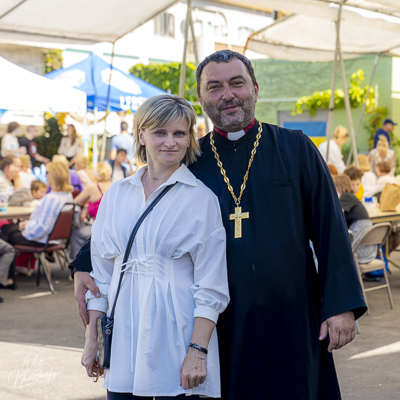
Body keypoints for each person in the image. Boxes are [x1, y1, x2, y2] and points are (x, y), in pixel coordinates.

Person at [71, 50, 366, 400]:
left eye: (236, 83)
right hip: (219, 318)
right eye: (214, 87)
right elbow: (135, 212)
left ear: (255, 88)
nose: (227, 94)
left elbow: (331, 229)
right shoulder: (191, 158)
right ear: (202, 98)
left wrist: (341, 306)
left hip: (289, 311)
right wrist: (85, 262)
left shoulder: (295, 148)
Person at [81, 95, 229, 399]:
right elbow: (102, 275)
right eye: (160, 132)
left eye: (180, 133)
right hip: (124, 330)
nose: (170, 142)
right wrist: (92, 339)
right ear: (141, 135)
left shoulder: (201, 199)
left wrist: (198, 351)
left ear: (190, 139)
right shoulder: (117, 194)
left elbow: (211, 286)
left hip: (175, 332)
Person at [0, 162, 73, 247]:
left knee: (7, 231)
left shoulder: (51, 199)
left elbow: (42, 228)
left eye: (47, 173)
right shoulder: (68, 195)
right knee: (9, 228)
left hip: (43, 240)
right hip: (56, 238)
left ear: (53, 176)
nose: (46, 176)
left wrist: (26, 226)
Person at [70, 162, 113, 260]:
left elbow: (76, 201)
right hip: (112, 229)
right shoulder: (115, 185)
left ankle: (77, 264)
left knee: (77, 232)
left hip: (98, 228)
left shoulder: (93, 187)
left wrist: (86, 205)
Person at [333, 175, 376, 264]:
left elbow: (336, 215)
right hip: (369, 251)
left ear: (341, 188)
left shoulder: (345, 196)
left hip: (358, 250)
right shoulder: (352, 197)